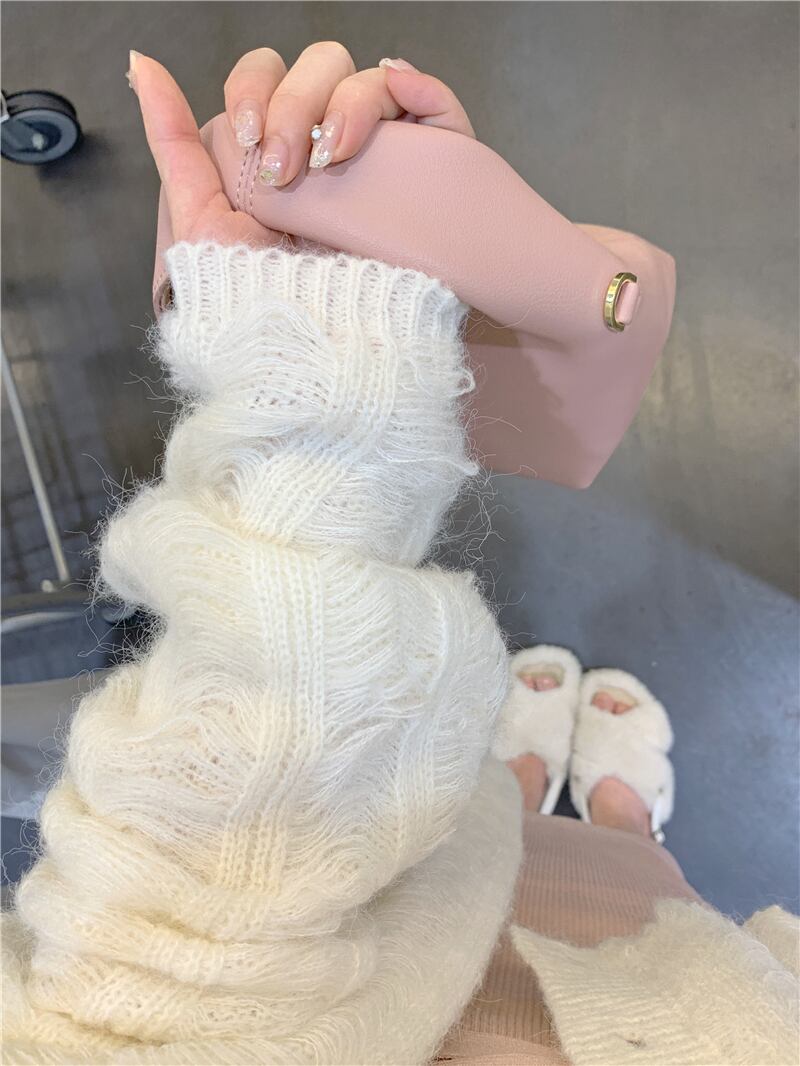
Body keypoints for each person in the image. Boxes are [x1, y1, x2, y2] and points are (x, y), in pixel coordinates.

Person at [2, 45, 797, 1066]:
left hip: (357, 952)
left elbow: (133, 1005)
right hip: (680, 1014)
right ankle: (618, 820)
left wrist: (315, 405)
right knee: (619, 877)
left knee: (459, 834)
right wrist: (337, 393)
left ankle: (521, 787)